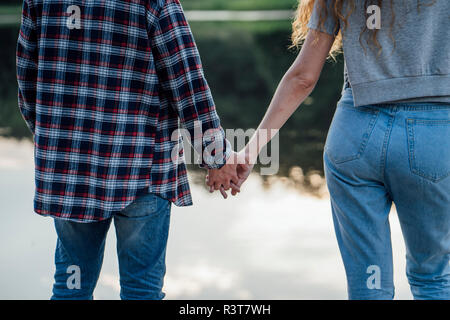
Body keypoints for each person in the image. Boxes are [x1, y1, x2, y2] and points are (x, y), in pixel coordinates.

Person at [210, 0, 450, 299]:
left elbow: (303, 78)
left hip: (354, 135)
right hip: (433, 134)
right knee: (433, 279)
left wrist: (251, 149)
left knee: (368, 285)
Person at [16, 0, 238, 300]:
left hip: (69, 173)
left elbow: (27, 79)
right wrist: (216, 158)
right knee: (141, 290)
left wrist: (56, 142)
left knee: (71, 287)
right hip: (142, 172)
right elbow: (186, 81)